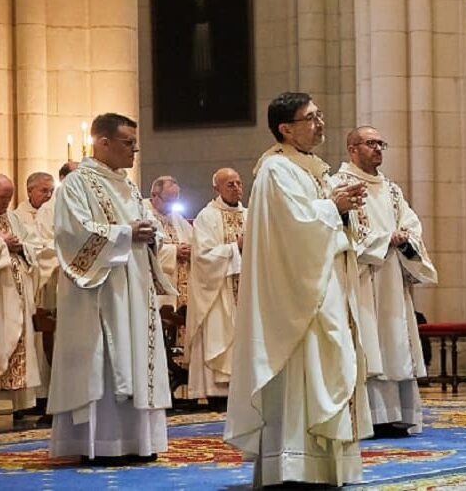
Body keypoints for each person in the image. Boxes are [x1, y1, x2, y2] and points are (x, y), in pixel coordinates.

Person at [225, 92, 371, 487]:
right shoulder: (276, 170)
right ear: (285, 128)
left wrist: (344, 210)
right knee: (303, 373)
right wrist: (333, 207)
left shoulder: (313, 168)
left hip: (325, 285)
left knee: (332, 363)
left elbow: (322, 222)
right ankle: (293, 466)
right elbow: (293, 228)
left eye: (320, 115)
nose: (319, 123)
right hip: (298, 296)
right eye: (310, 118)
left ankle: (324, 466)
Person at [48, 113, 176, 463]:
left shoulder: (129, 185)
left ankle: (137, 441)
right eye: (127, 142)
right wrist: (126, 233)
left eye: (135, 143)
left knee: (137, 357)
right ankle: (101, 444)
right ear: (102, 143)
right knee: (103, 360)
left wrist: (151, 235)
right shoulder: (77, 184)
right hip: (100, 290)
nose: (135, 149)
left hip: (135, 285)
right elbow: (71, 234)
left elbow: (146, 229)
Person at [337, 126, 437, 437]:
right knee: (369, 343)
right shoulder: (339, 185)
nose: (378, 148)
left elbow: (411, 223)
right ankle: (370, 417)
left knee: (394, 341)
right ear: (353, 149)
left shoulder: (392, 190)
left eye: (382, 143)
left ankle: (397, 416)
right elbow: (339, 231)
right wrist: (384, 239)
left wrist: (406, 240)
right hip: (361, 281)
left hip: (393, 276)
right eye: (371, 143)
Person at [184, 168, 246, 408]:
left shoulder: (250, 215)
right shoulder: (206, 217)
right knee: (220, 335)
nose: (236, 188)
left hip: (246, 294)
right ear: (216, 189)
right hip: (219, 293)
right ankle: (216, 394)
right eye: (230, 184)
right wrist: (235, 247)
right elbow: (202, 257)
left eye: (239, 183)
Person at [0, 174, 42, 413]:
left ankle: (17, 407)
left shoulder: (13, 218)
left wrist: (21, 247)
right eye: (2, 198)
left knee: (19, 344)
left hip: (16, 295)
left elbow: (34, 246)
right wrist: (0, 244)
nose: (6, 203)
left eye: (9, 198)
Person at [10, 172, 58, 401]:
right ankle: (39, 394)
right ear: (29, 191)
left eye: (51, 191)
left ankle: (50, 391)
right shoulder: (18, 216)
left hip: (53, 282)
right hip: (37, 287)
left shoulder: (55, 210)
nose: (48, 195)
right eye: (43, 190)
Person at [149, 176, 193, 309]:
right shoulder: (143, 213)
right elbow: (143, 250)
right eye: (168, 201)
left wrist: (190, 250)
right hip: (155, 287)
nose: (171, 207)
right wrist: (174, 251)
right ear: (154, 195)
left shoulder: (176, 218)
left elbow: (194, 240)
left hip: (180, 285)